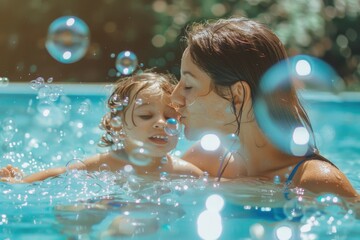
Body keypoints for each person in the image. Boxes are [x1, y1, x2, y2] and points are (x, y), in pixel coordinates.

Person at [170, 17, 358, 198]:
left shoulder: (315, 183)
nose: (174, 97)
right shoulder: (205, 159)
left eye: (188, 86)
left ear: (237, 95)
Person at [0, 70, 202, 183]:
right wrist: (21, 183)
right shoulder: (105, 164)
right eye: (146, 115)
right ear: (117, 127)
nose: (161, 123)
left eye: (170, 117)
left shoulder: (185, 172)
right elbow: (59, 172)